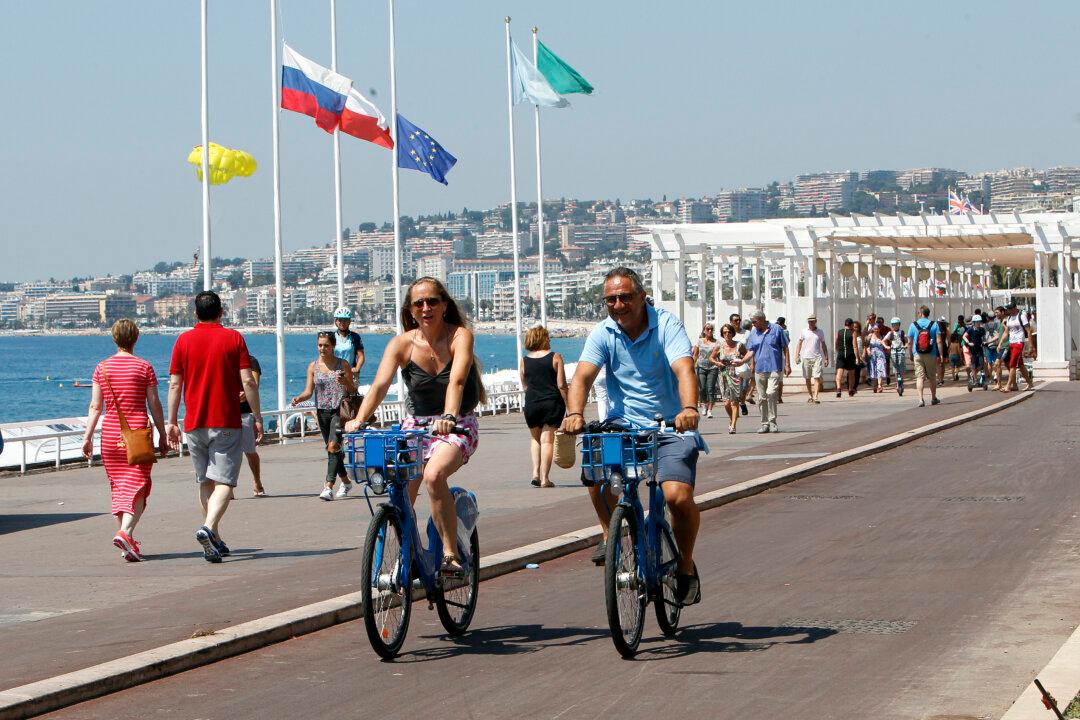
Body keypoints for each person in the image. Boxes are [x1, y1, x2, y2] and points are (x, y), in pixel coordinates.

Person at [560, 267, 702, 604]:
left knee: (677, 498)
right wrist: (575, 413)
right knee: (593, 471)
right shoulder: (604, 332)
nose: (619, 304)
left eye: (625, 297)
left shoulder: (666, 325)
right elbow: (581, 378)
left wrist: (689, 408)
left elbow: (684, 368)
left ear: (641, 296)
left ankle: (684, 566)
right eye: (611, 299)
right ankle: (612, 534)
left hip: (669, 426)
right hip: (623, 427)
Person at [344, 277, 485, 576]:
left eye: (432, 301)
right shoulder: (402, 344)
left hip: (456, 423)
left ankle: (449, 554)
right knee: (400, 491)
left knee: (433, 475)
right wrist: (359, 419)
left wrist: (448, 416)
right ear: (410, 310)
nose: (426, 308)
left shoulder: (460, 336)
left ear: (444, 304)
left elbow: (457, 381)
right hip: (416, 425)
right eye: (418, 303)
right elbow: (380, 385)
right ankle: (408, 553)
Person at [166, 291, 261, 563]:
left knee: (205, 480)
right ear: (221, 312)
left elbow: (174, 384)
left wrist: (172, 421)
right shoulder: (233, 338)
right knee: (226, 482)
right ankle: (208, 529)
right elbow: (249, 381)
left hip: (194, 422)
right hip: (226, 420)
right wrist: (256, 415)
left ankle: (215, 538)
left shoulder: (183, 341)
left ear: (195, 314)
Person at [81, 319, 168, 562]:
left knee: (119, 486)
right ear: (136, 338)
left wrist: (87, 437)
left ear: (114, 338)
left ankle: (126, 546)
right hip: (137, 433)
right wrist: (162, 432)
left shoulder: (102, 368)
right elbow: (154, 404)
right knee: (139, 485)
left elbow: (96, 406)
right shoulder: (144, 367)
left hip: (110, 434)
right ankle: (125, 532)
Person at [290, 332, 357, 500]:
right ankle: (347, 482)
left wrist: (346, 383)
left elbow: (353, 390)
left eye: (326, 345)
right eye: (320, 345)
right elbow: (308, 391)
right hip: (322, 412)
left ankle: (328, 487)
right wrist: (299, 398)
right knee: (331, 449)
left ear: (333, 346)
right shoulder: (313, 366)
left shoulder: (343, 364)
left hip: (338, 411)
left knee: (333, 446)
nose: (322, 348)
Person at [519, 325, 568, 488]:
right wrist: (569, 406)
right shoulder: (556, 357)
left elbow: (525, 385)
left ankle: (535, 473)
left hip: (532, 402)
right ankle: (545, 479)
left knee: (535, 438)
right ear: (543, 338)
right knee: (547, 440)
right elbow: (562, 385)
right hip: (552, 402)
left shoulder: (524, 361)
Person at [735, 310, 791, 434]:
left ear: (761, 319)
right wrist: (742, 361)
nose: (753, 324)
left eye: (754, 321)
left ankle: (773, 422)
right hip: (760, 369)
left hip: (774, 367)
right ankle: (764, 423)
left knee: (771, 393)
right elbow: (751, 350)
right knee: (762, 397)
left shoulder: (776, 329)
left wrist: (787, 364)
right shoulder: (754, 333)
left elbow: (785, 347)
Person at [710, 323, 746, 433]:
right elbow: (711, 357)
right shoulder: (719, 346)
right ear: (722, 334)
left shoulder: (739, 345)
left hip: (735, 375)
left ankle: (733, 425)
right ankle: (732, 418)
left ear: (733, 333)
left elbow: (747, 355)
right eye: (725, 332)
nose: (727, 334)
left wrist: (741, 362)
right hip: (723, 375)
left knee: (734, 402)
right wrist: (717, 363)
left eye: (729, 332)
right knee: (726, 403)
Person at [907, 305, 943, 407]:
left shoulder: (913, 325)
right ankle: (933, 398)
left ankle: (921, 399)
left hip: (917, 354)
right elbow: (939, 341)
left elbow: (909, 342)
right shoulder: (934, 324)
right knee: (932, 377)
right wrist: (940, 355)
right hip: (931, 354)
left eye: (918, 312)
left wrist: (910, 354)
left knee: (920, 377)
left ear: (921, 313)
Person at [240, 354, 265, 497]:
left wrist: (245, 393)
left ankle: (257, 480)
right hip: (226, 412)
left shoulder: (251, 361)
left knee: (250, 451)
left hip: (246, 412)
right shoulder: (223, 359)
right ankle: (228, 486)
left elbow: (254, 383)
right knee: (230, 453)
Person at [794, 314, 828, 404]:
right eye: (809, 321)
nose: (811, 322)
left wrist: (826, 358)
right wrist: (797, 355)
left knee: (817, 377)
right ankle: (810, 395)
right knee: (807, 377)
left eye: (812, 321)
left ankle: (816, 396)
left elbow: (823, 344)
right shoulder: (804, 331)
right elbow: (799, 343)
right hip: (806, 357)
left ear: (815, 321)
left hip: (817, 357)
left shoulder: (820, 332)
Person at [1003, 304, 1035, 392]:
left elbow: (1029, 330)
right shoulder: (1009, 318)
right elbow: (1006, 332)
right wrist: (1000, 343)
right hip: (1012, 343)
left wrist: (1030, 345)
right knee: (1020, 365)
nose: (1007, 311)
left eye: (1009, 309)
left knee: (1012, 364)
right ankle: (1030, 383)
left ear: (1014, 308)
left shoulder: (1022, 316)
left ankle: (1008, 386)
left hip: (1019, 342)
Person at [692, 323, 721, 418]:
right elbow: (695, 354)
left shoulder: (716, 342)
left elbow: (718, 355)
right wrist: (692, 365)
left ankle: (709, 410)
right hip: (701, 367)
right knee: (702, 388)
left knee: (710, 389)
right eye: (707, 329)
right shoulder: (700, 341)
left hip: (713, 368)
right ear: (704, 331)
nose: (709, 331)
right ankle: (704, 404)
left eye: (711, 329)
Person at [332, 307, 366, 379]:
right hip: (334, 374)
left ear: (349, 321)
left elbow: (361, 356)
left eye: (345, 320)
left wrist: (357, 368)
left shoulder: (355, 337)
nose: (342, 322)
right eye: (340, 320)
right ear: (336, 321)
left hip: (351, 373)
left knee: (352, 390)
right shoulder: (332, 337)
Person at [729, 312, 750, 416]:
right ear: (731, 322)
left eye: (739, 320)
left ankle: (742, 401)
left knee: (745, 386)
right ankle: (738, 405)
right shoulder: (729, 333)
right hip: (733, 362)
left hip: (745, 360)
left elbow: (751, 346)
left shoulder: (746, 332)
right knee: (737, 386)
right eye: (735, 320)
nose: (738, 322)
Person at [883, 317, 908, 396]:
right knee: (895, 368)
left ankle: (902, 382)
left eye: (896, 324)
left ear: (899, 325)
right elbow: (883, 340)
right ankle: (898, 383)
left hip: (901, 351)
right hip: (893, 352)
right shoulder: (890, 333)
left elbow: (907, 341)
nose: (895, 326)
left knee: (902, 367)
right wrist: (886, 346)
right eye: (894, 325)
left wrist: (906, 345)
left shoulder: (902, 332)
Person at [962, 315, 987, 391]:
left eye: (979, 322)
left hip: (980, 348)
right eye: (977, 322)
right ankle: (975, 380)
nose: (979, 323)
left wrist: (984, 342)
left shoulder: (982, 329)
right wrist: (968, 343)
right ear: (974, 322)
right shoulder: (970, 329)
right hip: (973, 350)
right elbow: (964, 336)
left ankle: (980, 378)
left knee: (982, 364)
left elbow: (984, 338)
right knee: (973, 365)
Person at [834, 318, 858, 398]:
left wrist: (838, 350)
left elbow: (836, 343)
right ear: (851, 325)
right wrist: (857, 357)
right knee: (851, 373)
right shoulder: (853, 332)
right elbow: (854, 346)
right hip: (850, 353)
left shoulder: (839, 332)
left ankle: (838, 388)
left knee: (839, 372)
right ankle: (850, 390)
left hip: (841, 353)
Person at [865, 323, 887, 393]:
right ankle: (875, 385)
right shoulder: (870, 336)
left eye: (877, 329)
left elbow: (885, 345)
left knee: (880, 368)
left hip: (880, 354)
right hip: (872, 355)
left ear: (879, 329)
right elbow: (866, 345)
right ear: (873, 329)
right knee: (873, 369)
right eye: (875, 329)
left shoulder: (882, 336)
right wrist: (868, 351)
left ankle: (880, 386)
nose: (876, 330)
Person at [775, 317, 790, 403]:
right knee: (779, 379)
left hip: (781, 357)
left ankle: (779, 396)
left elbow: (786, 346)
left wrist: (787, 364)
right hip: (779, 357)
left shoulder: (784, 332)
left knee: (779, 379)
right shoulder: (784, 331)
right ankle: (778, 396)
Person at [948, 315, 966, 383]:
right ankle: (956, 374)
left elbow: (962, 335)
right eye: (958, 321)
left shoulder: (964, 326)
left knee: (953, 366)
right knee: (957, 365)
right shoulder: (957, 325)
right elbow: (954, 333)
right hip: (957, 342)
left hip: (960, 342)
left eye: (960, 321)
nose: (959, 322)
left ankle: (954, 376)